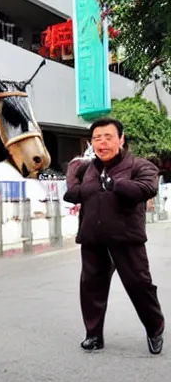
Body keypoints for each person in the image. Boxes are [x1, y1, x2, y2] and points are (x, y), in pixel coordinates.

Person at [64, 118, 165, 354]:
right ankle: (93, 335)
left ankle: (154, 328)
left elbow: (146, 188)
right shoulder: (86, 168)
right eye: (97, 138)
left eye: (108, 137)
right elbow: (72, 193)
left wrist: (116, 184)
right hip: (92, 238)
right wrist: (85, 182)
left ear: (121, 139)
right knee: (91, 288)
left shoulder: (140, 165)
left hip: (126, 238)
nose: (102, 143)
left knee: (139, 285)